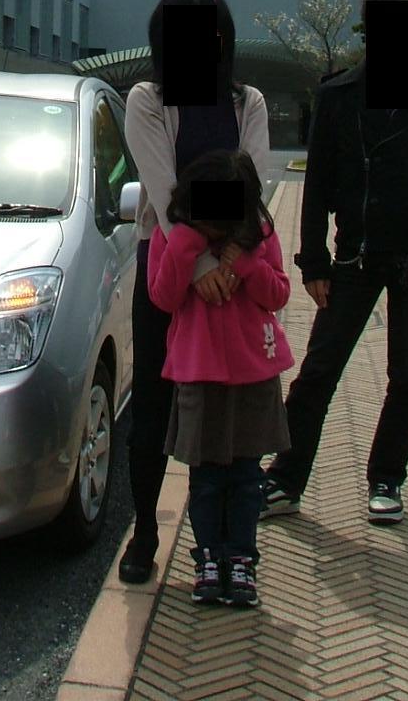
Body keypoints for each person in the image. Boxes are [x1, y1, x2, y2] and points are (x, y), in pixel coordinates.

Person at [261, 0, 408, 525]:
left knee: (406, 375)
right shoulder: (338, 96)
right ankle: (285, 478)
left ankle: (387, 479)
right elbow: (316, 185)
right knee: (319, 370)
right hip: (353, 257)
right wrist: (313, 260)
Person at [121, 0, 270, 584]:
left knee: (230, 400)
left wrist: (229, 262)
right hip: (168, 269)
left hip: (234, 270)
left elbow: (251, 186)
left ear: (221, 39)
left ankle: (229, 543)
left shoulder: (248, 102)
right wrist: (203, 265)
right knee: (154, 404)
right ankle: (145, 531)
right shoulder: (147, 101)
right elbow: (166, 194)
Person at [148, 148, 294, 607]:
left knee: (247, 477)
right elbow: (163, 298)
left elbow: (278, 294)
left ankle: (242, 558)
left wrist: (248, 265)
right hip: (200, 375)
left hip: (253, 375)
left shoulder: (258, 235)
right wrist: (187, 245)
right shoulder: (174, 236)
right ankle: (209, 557)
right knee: (206, 479)